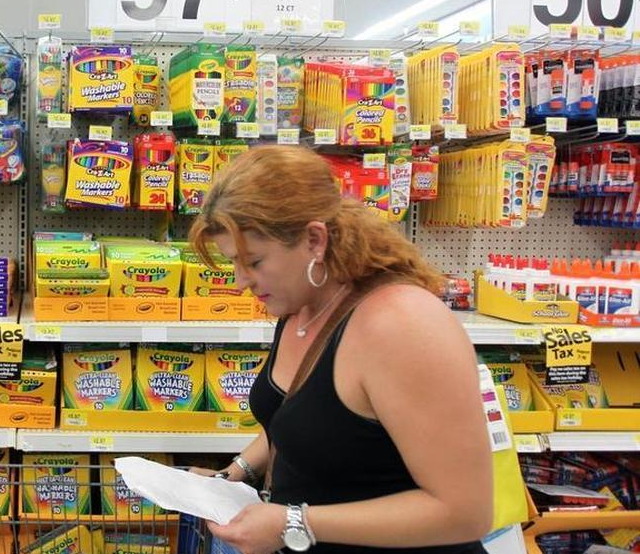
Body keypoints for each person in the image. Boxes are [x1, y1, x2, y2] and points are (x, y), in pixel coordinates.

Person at [188, 146, 493, 554]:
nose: (241, 281)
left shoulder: (401, 325)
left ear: (314, 239)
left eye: (255, 262)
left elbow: (464, 512)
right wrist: (235, 474)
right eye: (234, 264)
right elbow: (303, 421)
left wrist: (293, 522)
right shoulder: (302, 305)